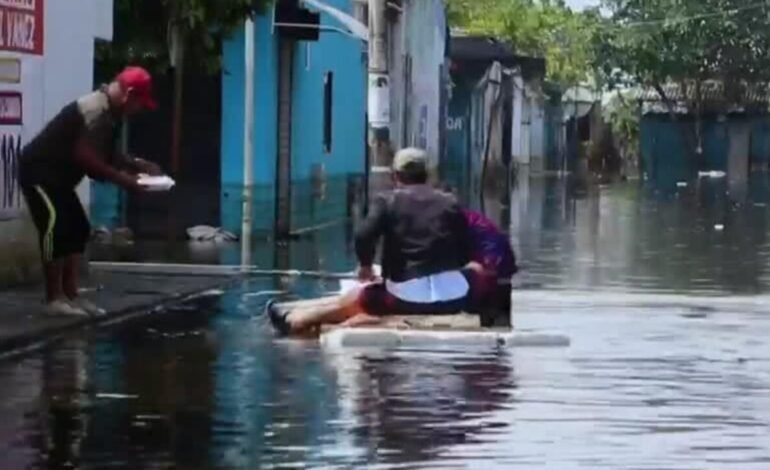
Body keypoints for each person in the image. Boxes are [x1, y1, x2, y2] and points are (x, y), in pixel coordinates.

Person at [267, 147, 487, 335]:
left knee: (362, 297)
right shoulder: (451, 202)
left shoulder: (387, 200)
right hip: (454, 298)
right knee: (476, 270)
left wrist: (365, 266)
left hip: (406, 300)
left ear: (395, 176)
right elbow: (467, 250)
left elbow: (363, 236)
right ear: (427, 175)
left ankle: (296, 321)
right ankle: (298, 313)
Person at [18, 66, 160, 316]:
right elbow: (86, 157)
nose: (138, 110)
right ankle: (54, 298)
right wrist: (125, 181)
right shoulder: (96, 109)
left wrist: (136, 164)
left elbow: (105, 153)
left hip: (60, 180)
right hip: (39, 173)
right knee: (55, 226)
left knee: (79, 228)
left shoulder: (112, 113)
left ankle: (71, 294)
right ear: (128, 95)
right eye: (139, 103)